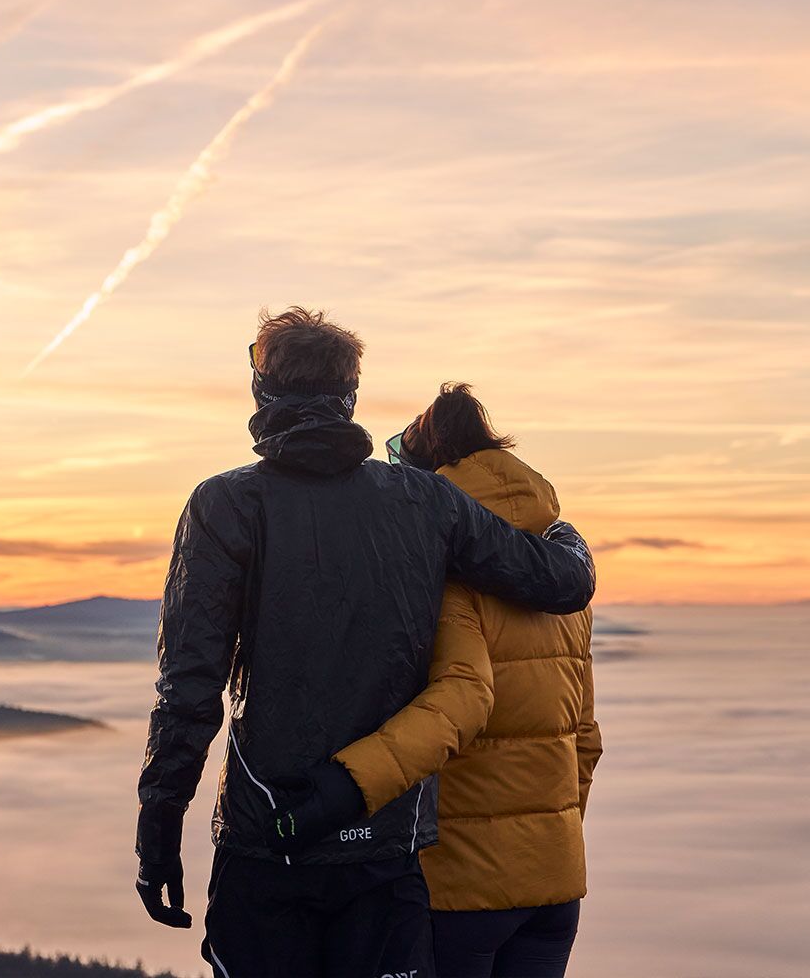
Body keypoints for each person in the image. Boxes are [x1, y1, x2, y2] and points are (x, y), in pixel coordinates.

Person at [133, 308, 596, 978]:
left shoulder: (226, 504)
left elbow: (190, 688)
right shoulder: (424, 503)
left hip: (268, 845)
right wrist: (569, 540)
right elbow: (559, 583)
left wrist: (158, 831)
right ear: (350, 395)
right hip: (388, 851)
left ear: (262, 390)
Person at [275, 382, 602, 978]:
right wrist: (548, 841)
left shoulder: (450, 576)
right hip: (556, 885)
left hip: (464, 887)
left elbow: (464, 699)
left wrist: (343, 787)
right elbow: (585, 736)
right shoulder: (563, 582)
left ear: (429, 478)